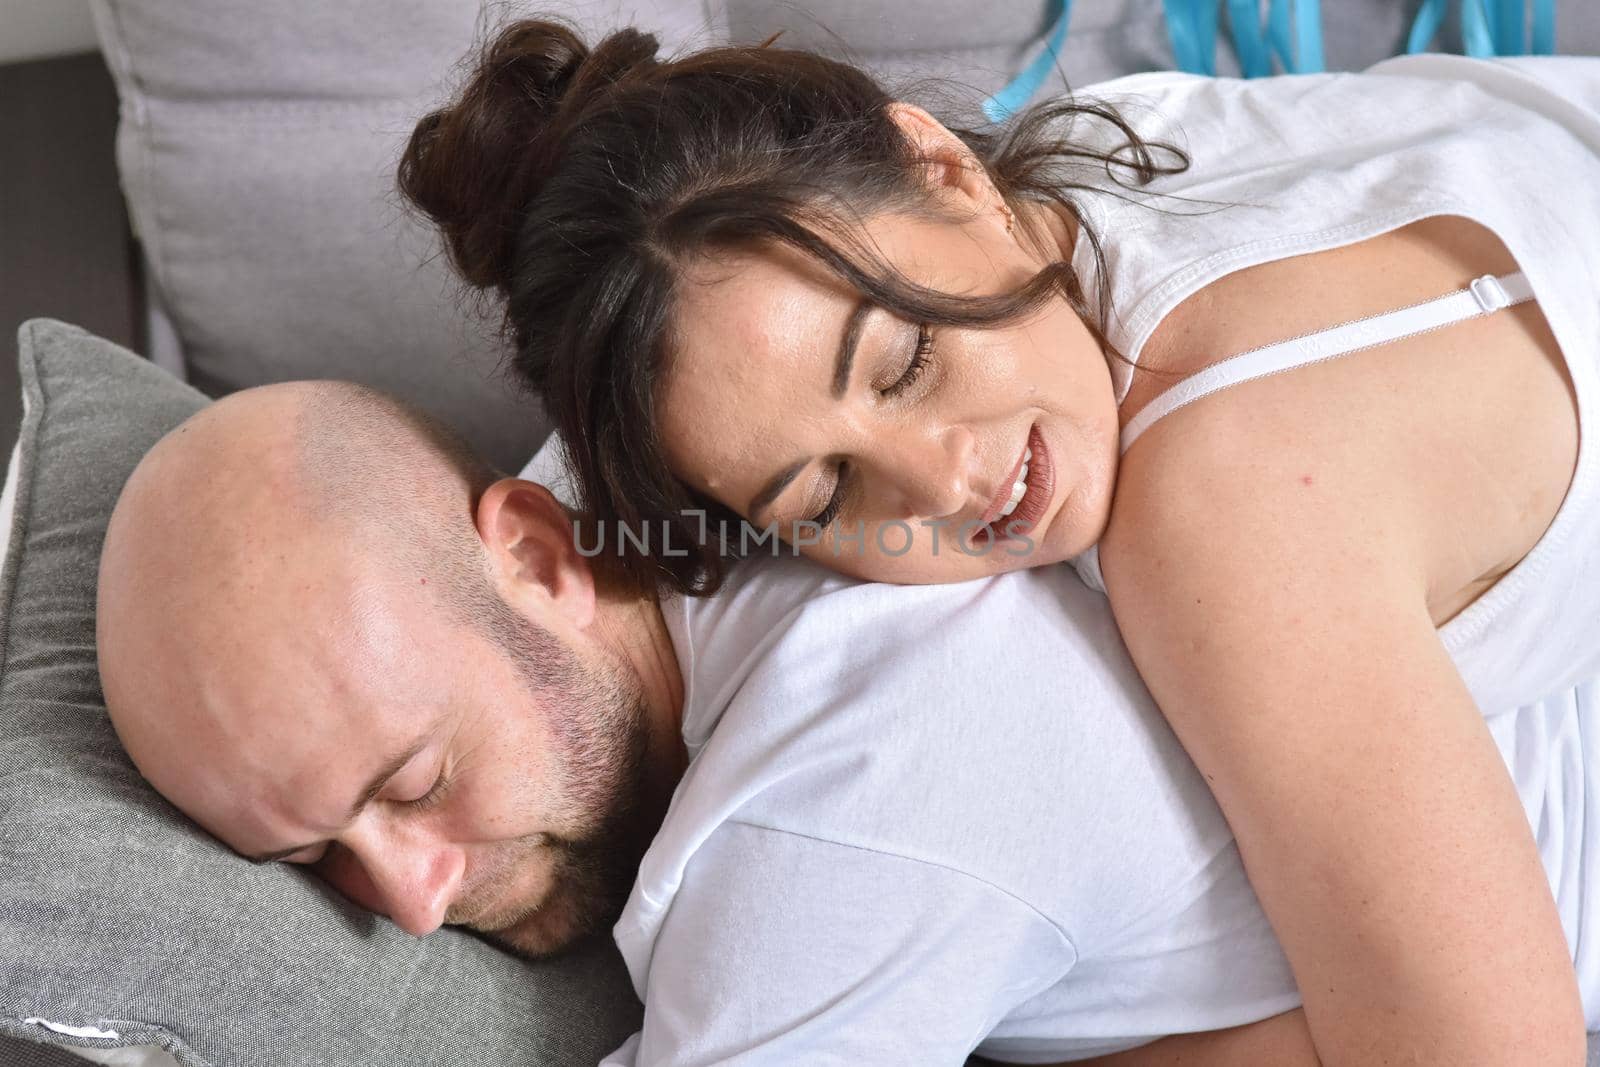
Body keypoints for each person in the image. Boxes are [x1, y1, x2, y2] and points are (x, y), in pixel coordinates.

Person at [397, 19, 1600, 1067]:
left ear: (943, 165)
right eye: (823, 491)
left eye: (906, 358)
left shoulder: (1225, 508)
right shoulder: (1095, 157)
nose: (941, 480)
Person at [97, 382, 1599, 1065]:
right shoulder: (641, 434)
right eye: (318, 858)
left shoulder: (833, 808)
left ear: (541, 553)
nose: (411, 903)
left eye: (415, 780)